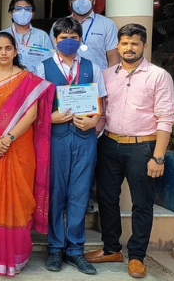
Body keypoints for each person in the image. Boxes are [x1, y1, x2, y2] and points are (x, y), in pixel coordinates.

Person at [85, 24, 174, 279]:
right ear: (118, 46)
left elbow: (166, 118)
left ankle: (136, 256)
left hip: (142, 147)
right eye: (124, 43)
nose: (129, 48)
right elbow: (102, 112)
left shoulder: (158, 76)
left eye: (134, 43)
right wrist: (89, 133)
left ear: (144, 45)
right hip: (109, 144)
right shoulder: (106, 75)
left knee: (142, 203)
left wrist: (158, 156)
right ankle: (111, 248)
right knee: (106, 198)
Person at [0, 32, 54, 277]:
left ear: (16, 51)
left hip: (18, 147)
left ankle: (15, 255)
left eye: (8, 48)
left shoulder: (27, 79)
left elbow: (31, 114)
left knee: (18, 199)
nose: (3, 53)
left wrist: (7, 139)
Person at [34, 17, 106, 275]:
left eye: (73, 37)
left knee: (80, 194)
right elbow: (36, 107)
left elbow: (101, 103)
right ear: (54, 40)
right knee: (55, 193)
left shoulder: (91, 67)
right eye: (63, 38)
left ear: (80, 40)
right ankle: (55, 248)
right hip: (56, 138)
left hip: (85, 138)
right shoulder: (42, 68)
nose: (68, 42)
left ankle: (75, 249)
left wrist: (94, 121)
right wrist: (49, 118)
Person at [52, 0, 119, 71]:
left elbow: (113, 59)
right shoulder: (59, 24)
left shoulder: (107, 24)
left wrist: (111, 78)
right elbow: (53, 54)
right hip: (67, 77)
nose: (81, 1)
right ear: (70, 1)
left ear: (93, 0)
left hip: (98, 77)